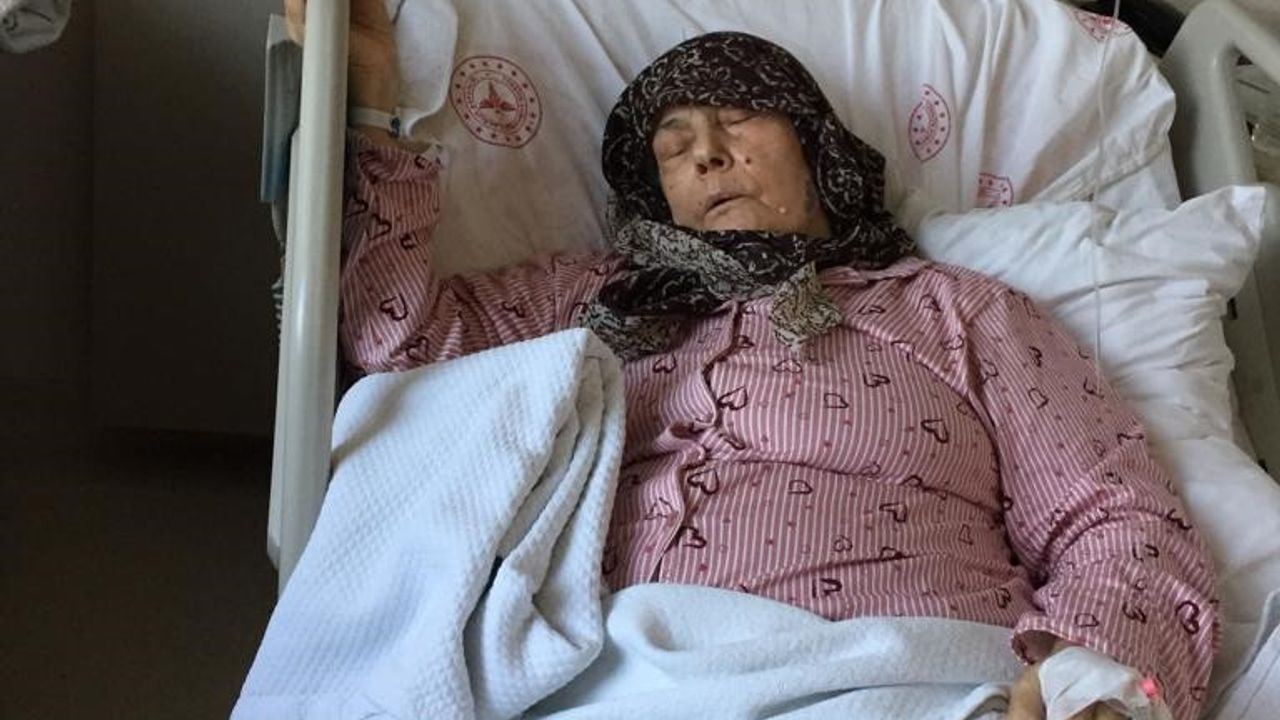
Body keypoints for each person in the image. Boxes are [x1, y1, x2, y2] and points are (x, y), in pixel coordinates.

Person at [286, 2, 1217, 719]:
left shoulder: (956, 310)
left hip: (906, 668)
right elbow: (404, 353)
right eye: (674, 147)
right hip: (609, 675)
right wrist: (368, 105)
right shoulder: (586, 297)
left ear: (814, 148)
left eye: (738, 120)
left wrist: (1092, 678)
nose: (707, 155)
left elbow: (1114, 512)